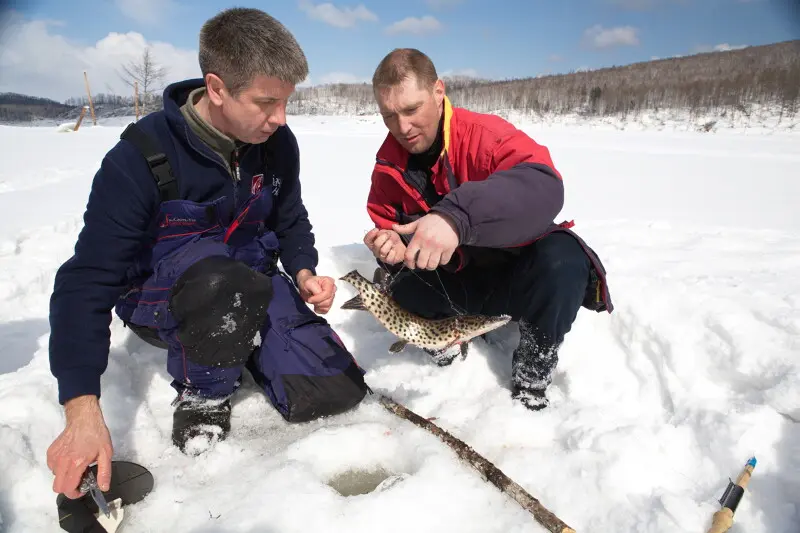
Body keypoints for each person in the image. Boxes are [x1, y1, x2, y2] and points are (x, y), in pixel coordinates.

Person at [46, 7, 369, 499]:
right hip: (168, 299)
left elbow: (289, 217)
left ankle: (251, 343)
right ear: (217, 88)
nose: (279, 119)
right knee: (223, 283)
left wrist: (303, 270)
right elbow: (85, 279)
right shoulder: (139, 158)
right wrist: (81, 408)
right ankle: (204, 391)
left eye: (287, 102)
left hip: (250, 283)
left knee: (332, 390)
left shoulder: (276, 143)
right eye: (266, 103)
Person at [363, 48, 613, 411]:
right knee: (402, 287)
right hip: (457, 281)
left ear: (438, 92)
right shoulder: (388, 167)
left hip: (515, 271)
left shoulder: (485, 136)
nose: (402, 127)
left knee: (563, 260)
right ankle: (442, 350)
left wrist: (454, 218)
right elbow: (389, 227)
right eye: (389, 115)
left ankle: (533, 368)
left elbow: (544, 186)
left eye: (412, 109)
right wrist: (392, 250)